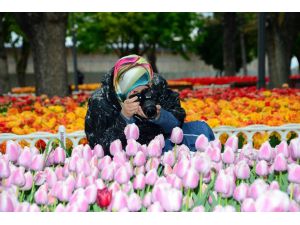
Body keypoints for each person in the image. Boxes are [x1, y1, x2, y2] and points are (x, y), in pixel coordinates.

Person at [85, 55, 215, 155]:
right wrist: (124, 117)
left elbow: (177, 123)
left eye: (145, 90)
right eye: (135, 92)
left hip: (161, 144)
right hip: (127, 155)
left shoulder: (157, 85)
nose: (140, 96)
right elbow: (100, 146)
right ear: (121, 89)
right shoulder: (101, 102)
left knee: (200, 129)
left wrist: (160, 116)